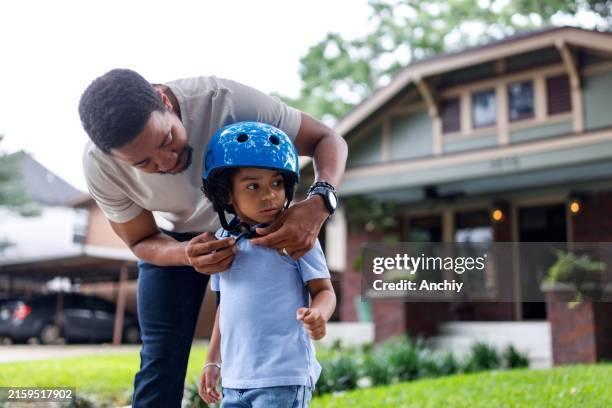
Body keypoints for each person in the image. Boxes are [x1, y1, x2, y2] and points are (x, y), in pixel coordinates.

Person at [78, 69, 347, 407]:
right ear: (114, 158)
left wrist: (319, 202)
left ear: (165, 101)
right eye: (144, 162)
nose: (167, 162)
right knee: (161, 356)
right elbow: (140, 241)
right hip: (172, 241)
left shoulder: (227, 103)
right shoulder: (100, 168)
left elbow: (328, 139)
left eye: (166, 140)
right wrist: (185, 254)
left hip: (252, 225)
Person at [197, 121, 336, 407]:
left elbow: (325, 291)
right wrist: (213, 361)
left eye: (276, 183)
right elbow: (225, 306)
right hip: (235, 381)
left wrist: (319, 315)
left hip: (283, 377)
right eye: (253, 185)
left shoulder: (297, 235)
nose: (269, 194)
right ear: (226, 194)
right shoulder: (223, 242)